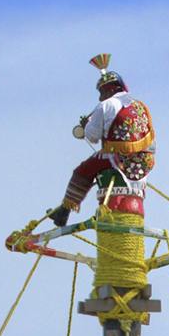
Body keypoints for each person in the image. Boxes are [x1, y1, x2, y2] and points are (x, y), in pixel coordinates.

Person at [44, 54, 156, 229]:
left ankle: (64, 211)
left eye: (102, 92)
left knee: (83, 170)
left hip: (119, 160)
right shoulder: (139, 105)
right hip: (146, 163)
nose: (100, 97)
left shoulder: (106, 105)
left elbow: (92, 136)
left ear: (110, 90)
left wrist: (87, 125)